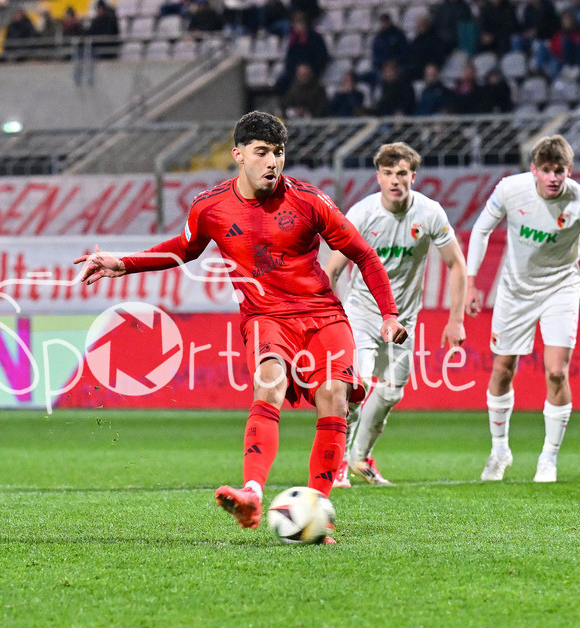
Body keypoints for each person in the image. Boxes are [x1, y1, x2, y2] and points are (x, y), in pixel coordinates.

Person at [74, 111, 408, 537]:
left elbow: (364, 254)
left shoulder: (309, 200)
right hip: (266, 317)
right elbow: (183, 248)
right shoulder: (210, 206)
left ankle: (316, 509)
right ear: (238, 155)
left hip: (322, 314)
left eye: (279, 153)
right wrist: (122, 262)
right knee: (269, 384)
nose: (272, 162)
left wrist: (389, 314)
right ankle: (251, 492)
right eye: (262, 152)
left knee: (334, 397)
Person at [465, 135, 580, 484]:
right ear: (533, 170)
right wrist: (471, 282)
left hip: (561, 289)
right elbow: (481, 229)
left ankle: (548, 458)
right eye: (546, 170)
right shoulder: (510, 190)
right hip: (515, 290)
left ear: (568, 171)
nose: (553, 178)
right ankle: (500, 450)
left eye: (559, 171)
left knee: (557, 372)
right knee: (502, 369)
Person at [325, 143, 466, 487]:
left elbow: (456, 265)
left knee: (390, 393)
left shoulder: (429, 213)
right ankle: (338, 463)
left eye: (401, 173)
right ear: (378, 177)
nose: (394, 180)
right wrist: (332, 318)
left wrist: (456, 319)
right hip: (361, 313)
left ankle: (360, 457)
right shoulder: (361, 214)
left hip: (403, 320)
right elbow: (332, 270)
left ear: (412, 177)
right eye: (388, 173)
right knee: (354, 388)